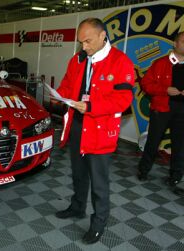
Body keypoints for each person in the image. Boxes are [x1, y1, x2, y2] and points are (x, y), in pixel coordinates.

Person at [54, 18, 134, 244]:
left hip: (100, 128)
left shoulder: (121, 62)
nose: (84, 47)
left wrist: (91, 106)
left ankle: (98, 223)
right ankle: (77, 207)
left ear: (102, 36)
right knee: (78, 173)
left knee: (99, 182)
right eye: (81, 42)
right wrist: (59, 95)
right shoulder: (77, 59)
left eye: (87, 41)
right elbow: (68, 84)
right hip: (78, 124)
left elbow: (123, 100)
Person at [137, 31, 184, 186]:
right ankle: (143, 170)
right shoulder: (160, 63)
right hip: (162, 108)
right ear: (175, 43)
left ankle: (176, 176)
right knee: (153, 141)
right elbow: (146, 84)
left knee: (179, 144)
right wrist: (164, 90)